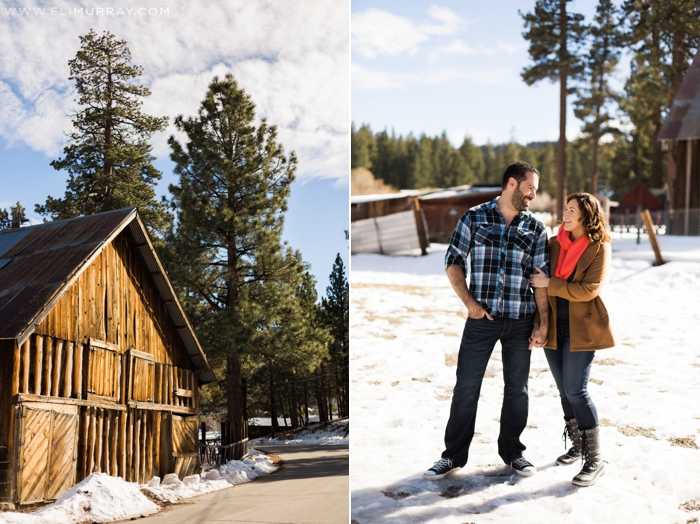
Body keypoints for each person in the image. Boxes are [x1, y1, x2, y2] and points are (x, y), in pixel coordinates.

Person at [423, 161, 550, 481]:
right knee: (466, 387)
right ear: (512, 184)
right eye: (530, 188)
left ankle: (513, 453)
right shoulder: (475, 217)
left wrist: (542, 323)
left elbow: (540, 281)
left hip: (521, 321)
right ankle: (452, 457)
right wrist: (470, 304)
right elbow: (452, 261)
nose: (534, 195)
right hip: (481, 320)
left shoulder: (535, 228)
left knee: (518, 390)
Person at [529, 192, 615, 487]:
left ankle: (595, 458)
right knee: (564, 391)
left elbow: (589, 289)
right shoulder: (554, 244)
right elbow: (539, 285)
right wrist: (539, 323)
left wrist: (550, 283)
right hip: (554, 327)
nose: (565, 214)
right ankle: (578, 446)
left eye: (571, 210)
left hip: (582, 328)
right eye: (564, 208)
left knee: (576, 390)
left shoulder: (599, 246)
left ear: (586, 215)